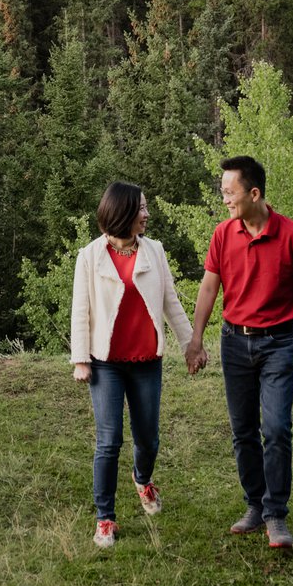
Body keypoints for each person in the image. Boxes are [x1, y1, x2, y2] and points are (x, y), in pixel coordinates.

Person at [185, 154, 293, 549]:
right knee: (242, 430)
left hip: (280, 343)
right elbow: (209, 287)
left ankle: (276, 515)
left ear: (255, 193)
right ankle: (254, 505)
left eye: (230, 192)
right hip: (234, 343)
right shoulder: (222, 234)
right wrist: (196, 339)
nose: (225, 199)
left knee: (276, 429)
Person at [69, 181, 195, 549]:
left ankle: (143, 479)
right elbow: (81, 309)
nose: (147, 214)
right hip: (105, 362)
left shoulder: (154, 251)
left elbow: (171, 301)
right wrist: (80, 359)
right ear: (123, 213)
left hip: (146, 360)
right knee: (109, 442)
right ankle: (105, 518)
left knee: (148, 438)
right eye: (141, 208)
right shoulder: (90, 256)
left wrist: (190, 345)